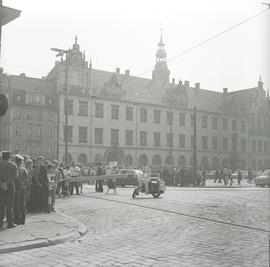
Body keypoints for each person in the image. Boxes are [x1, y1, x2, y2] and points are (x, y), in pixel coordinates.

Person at [0, 151, 18, 228]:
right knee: (9, 206)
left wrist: (2, 184)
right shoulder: (13, 165)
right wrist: (6, 183)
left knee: (1, 206)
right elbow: (15, 177)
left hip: (1, 187)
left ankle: (0, 223)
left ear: (2, 157)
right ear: (9, 157)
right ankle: (10, 223)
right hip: (10, 186)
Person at [13, 154, 28, 225]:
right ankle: (23, 219)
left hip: (16, 188)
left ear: (16, 161)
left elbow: (14, 179)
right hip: (23, 188)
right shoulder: (24, 169)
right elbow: (26, 180)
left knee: (16, 204)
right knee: (23, 204)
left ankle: (17, 220)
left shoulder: (15, 168)